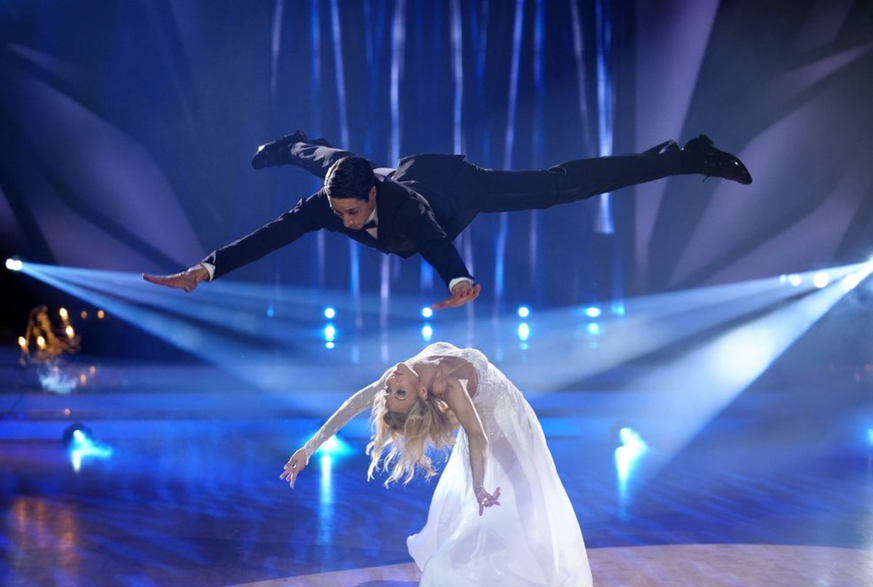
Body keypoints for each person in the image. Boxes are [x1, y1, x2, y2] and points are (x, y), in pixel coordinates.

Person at [143, 131, 751, 310]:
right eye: (339, 213)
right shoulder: (331, 205)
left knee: (559, 187)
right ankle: (292, 142)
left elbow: (432, 240)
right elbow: (270, 236)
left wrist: (457, 280)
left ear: (374, 198)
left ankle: (678, 158)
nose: (346, 224)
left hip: (452, 190)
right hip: (380, 171)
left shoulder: (402, 206)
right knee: (319, 158)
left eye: (352, 214)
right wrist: (206, 268)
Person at [280, 341, 594, 587]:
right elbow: (477, 435)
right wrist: (479, 485)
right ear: (423, 393)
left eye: (391, 392)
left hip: (510, 406)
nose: (391, 385)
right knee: (520, 490)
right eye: (397, 392)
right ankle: (542, 573)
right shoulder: (448, 383)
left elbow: (353, 404)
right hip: (493, 423)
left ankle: (544, 565)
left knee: (528, 488)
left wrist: (309, 448)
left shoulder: (399, 377)